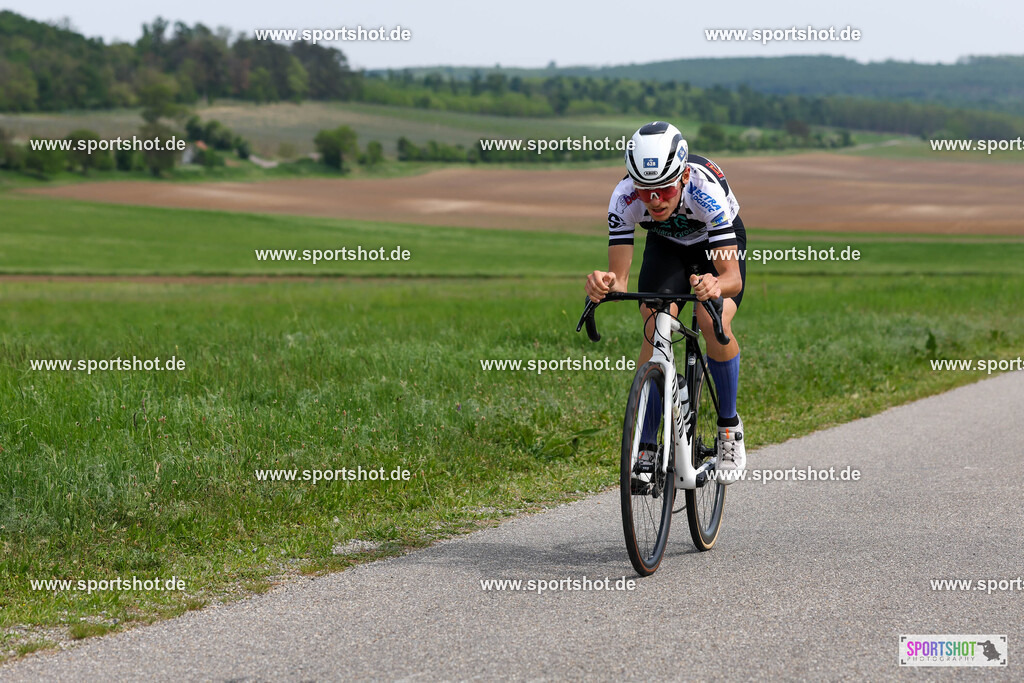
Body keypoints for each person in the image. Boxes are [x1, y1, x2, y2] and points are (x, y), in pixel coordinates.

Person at [584, 121, 747, 483]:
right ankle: (646, 445)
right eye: (645, 192)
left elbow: (731, 278)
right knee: (653, 319)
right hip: (667, 247)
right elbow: (620, 280)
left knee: (710, 318)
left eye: (665, 189)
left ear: (684, 176)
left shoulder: (705, 191)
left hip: (714, 246)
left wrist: (713, 283)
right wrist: (602, 283)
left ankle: (729, 428)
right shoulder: (623, 197)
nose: (655, 200)